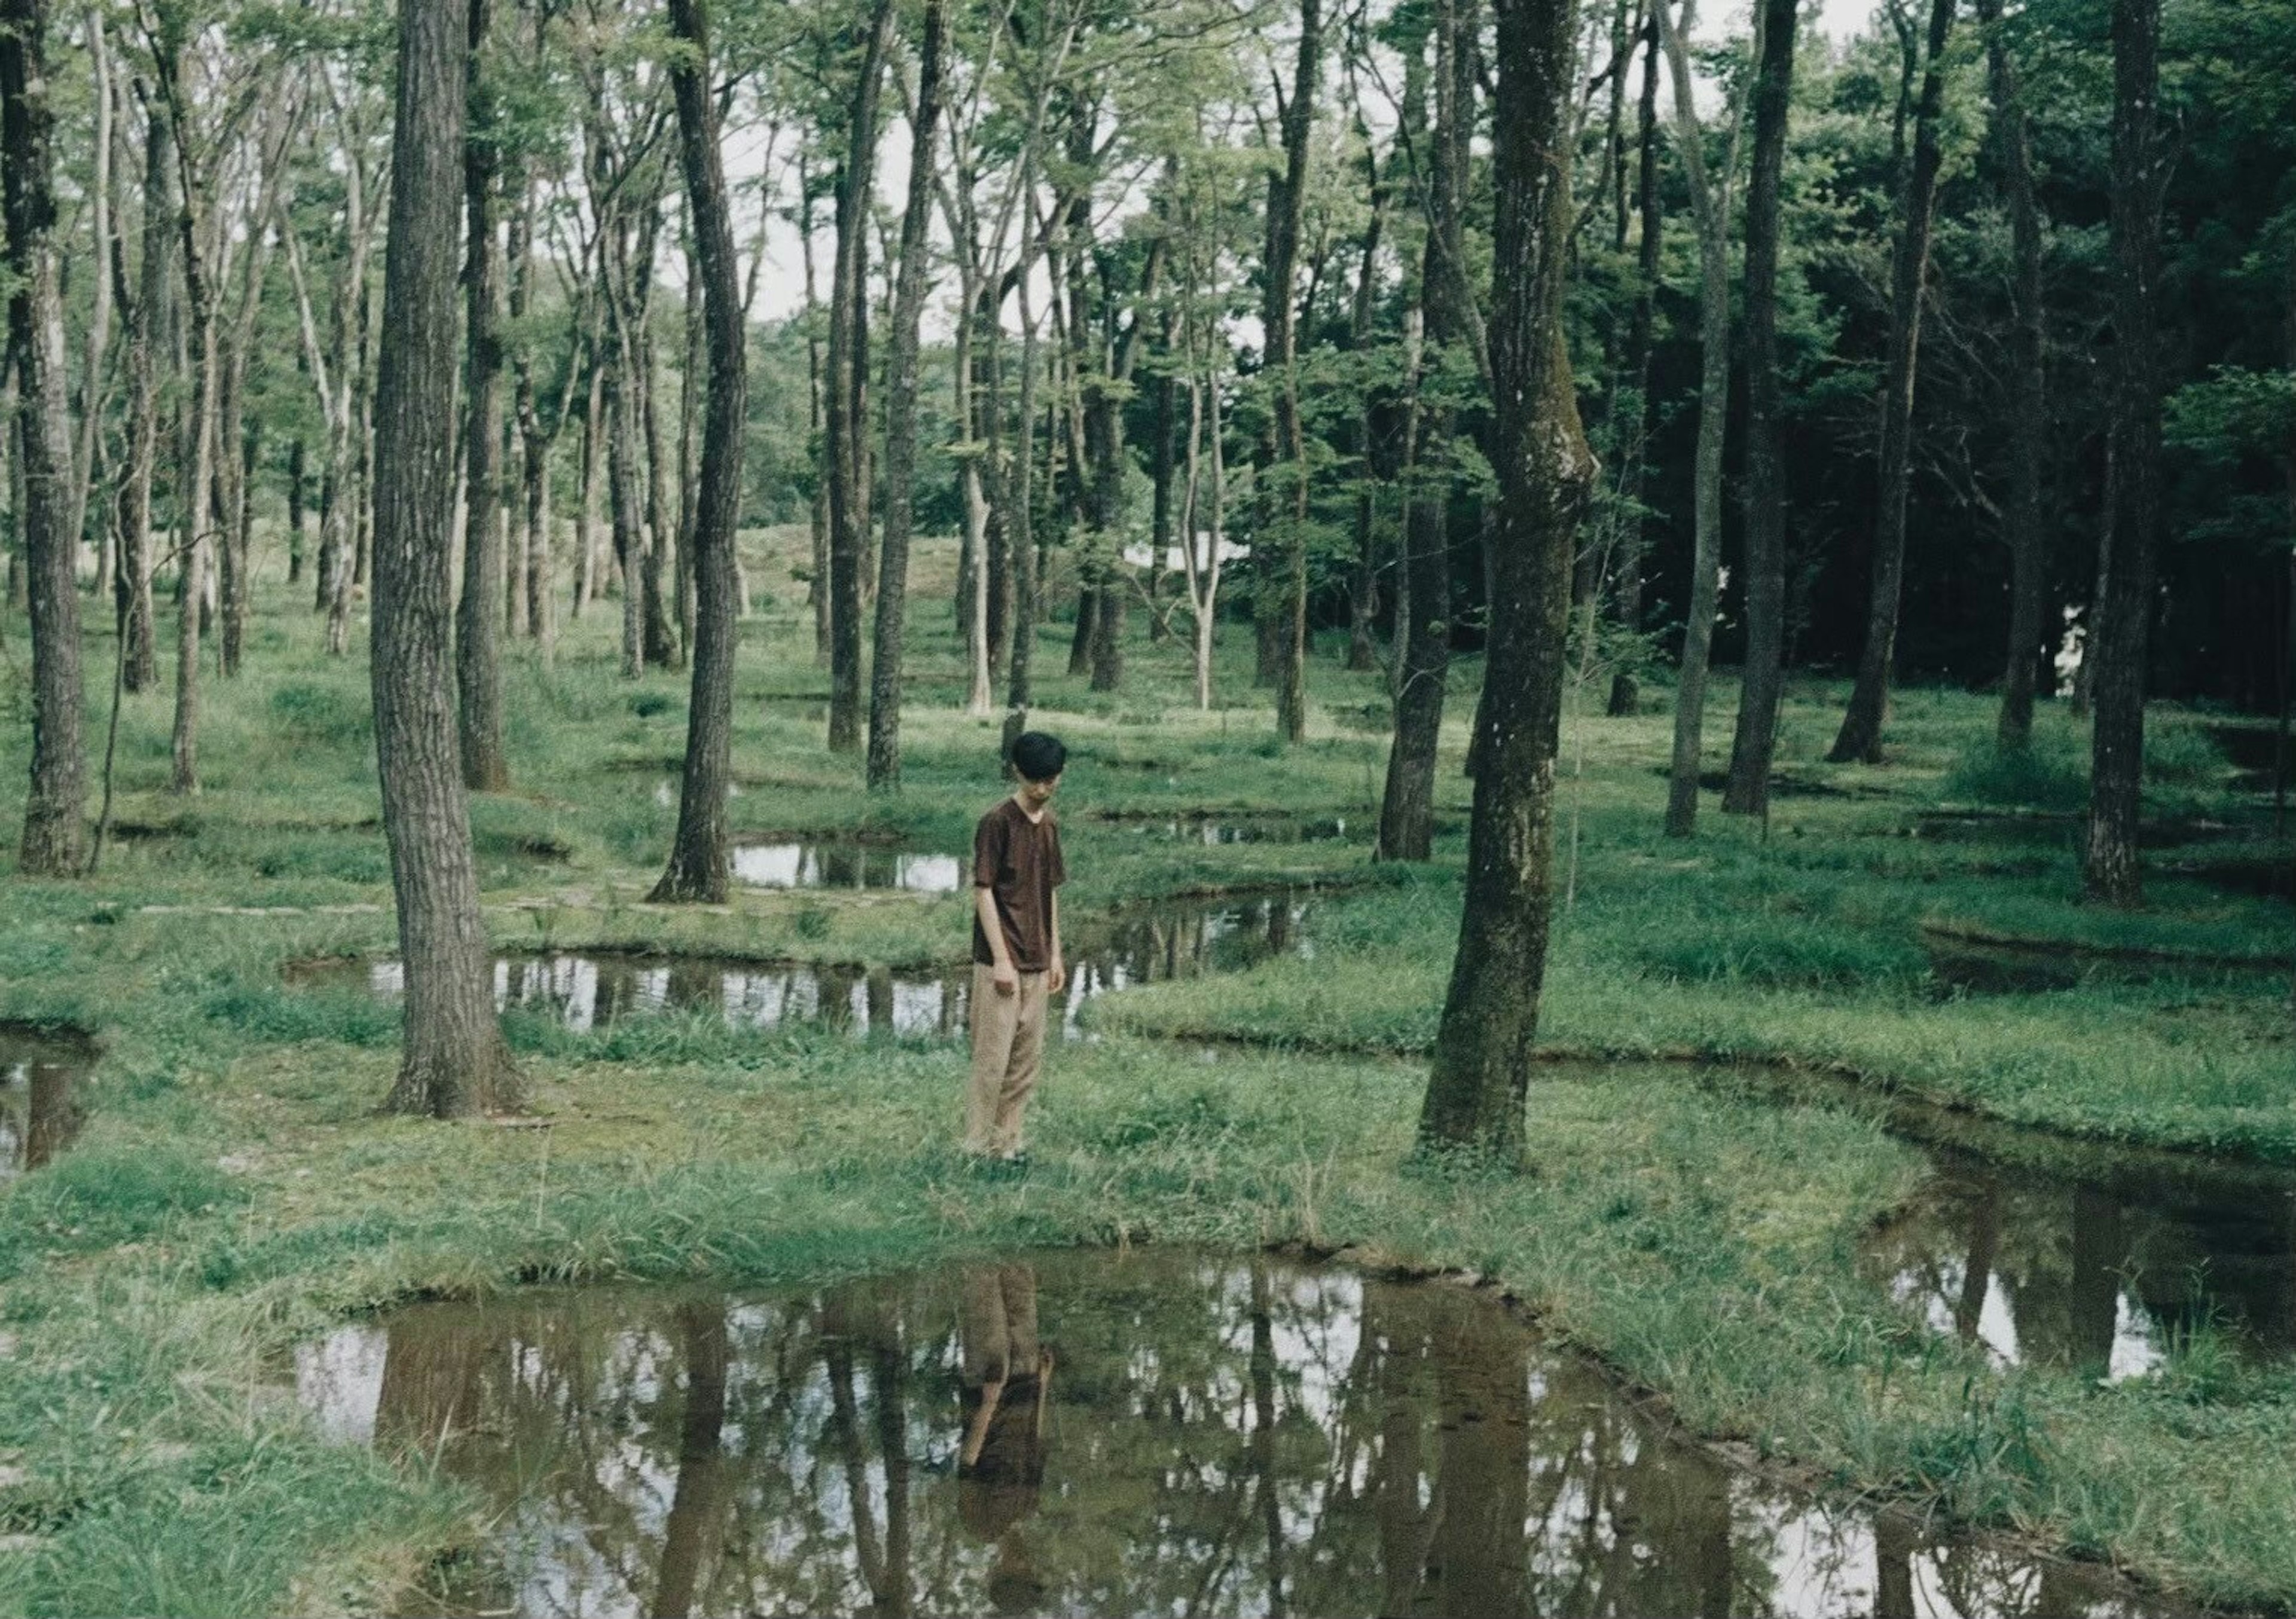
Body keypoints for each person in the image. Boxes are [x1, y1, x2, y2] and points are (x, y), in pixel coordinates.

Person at [966, 731, 1067, 1163]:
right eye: (1035, 782)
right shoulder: (996, 822)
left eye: (1050, 781)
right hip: (1000, 963)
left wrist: (1057, 953)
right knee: (993, 1060)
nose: (1043, 790)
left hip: (1039, 959)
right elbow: (984, 891)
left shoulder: (1050, 825)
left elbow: (1051, 892)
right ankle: (974, 1148)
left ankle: (1007, 1145)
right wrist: (1002, 960)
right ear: (1017, 774)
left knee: (1025, 1063)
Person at [957, 1263, 1054, 1614]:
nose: (1028, 1565)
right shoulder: (1029, 1509)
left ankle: (968, 1229)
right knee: (1020, 1293)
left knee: (984, 1296)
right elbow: (1036, 1444)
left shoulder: (980, 1525)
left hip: (989, 1385)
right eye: (1030, 1571)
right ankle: (1011, 1228)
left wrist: (988, 1402)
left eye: (1021, 1572)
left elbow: (968, 1463)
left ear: (1002, 1573)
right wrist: (1043, 1385)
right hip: (1026, 1386)